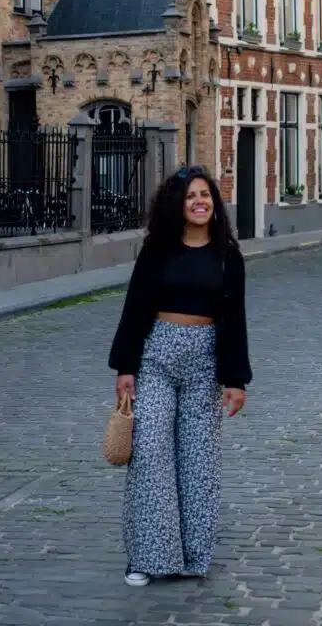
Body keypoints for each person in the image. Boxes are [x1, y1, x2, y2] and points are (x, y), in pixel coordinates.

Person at [108, 165, 252, 587]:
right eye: (191, 196)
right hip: (156, 357)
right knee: (150, 452)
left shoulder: (228, 255)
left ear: (215, 202)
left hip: (204, 362)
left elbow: (235, 319)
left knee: (198, 461)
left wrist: (236, 379)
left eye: (205, 195)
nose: (200, 202)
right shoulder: (158, 250)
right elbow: (135, 307)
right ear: (178, 204)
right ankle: (147, 556)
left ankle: (191, 555)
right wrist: (126, 367)